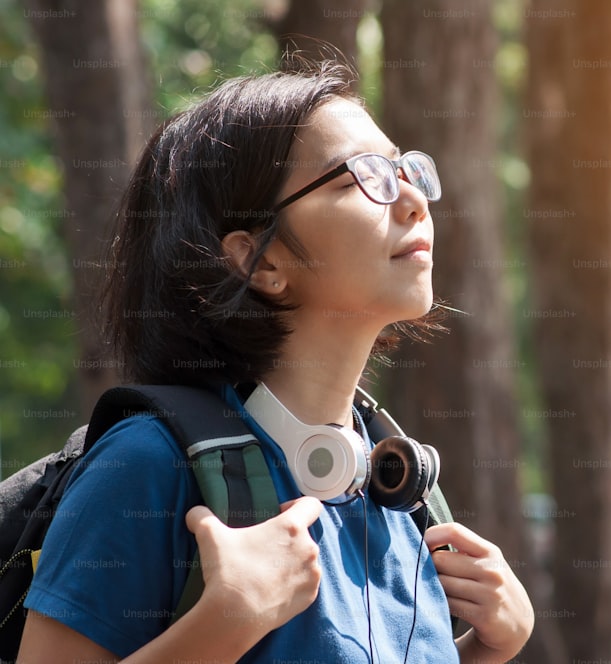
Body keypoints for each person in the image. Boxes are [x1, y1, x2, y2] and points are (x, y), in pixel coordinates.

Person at [16, 54, 533, 663]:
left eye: (404, 169)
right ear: (259, 261)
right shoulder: (147, 466)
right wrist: (223, 626)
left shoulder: (402, 498)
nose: (414, 199)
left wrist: (485, 653)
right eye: (361, 177)